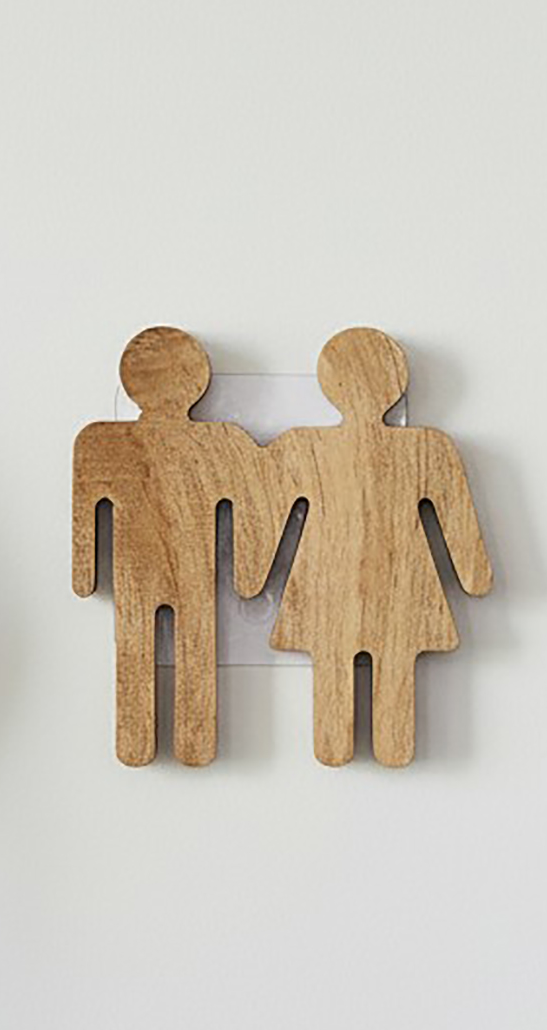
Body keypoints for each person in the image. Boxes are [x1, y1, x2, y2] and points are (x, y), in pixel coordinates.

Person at [266, 328, 492, 766]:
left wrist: (251, 577)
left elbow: (271, 526)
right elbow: (464, 538)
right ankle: (385, 746)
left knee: (336, 662)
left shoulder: (306, 448)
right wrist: (473, 575)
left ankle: (343, 744)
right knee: (390, 663)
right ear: (396, 382)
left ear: (329, 383)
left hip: (328, 586)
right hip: (400, 585)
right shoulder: (427, 448)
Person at [72, 327, 281, 765]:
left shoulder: (101, 442)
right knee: (192, 651)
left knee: (139, 648)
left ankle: (146, 742)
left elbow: (86, 521)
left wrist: (85, 575)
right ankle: (188, 742)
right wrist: (247, 577)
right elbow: (251, 517)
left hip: (149, 570)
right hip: (185, 570)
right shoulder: (220, 443)